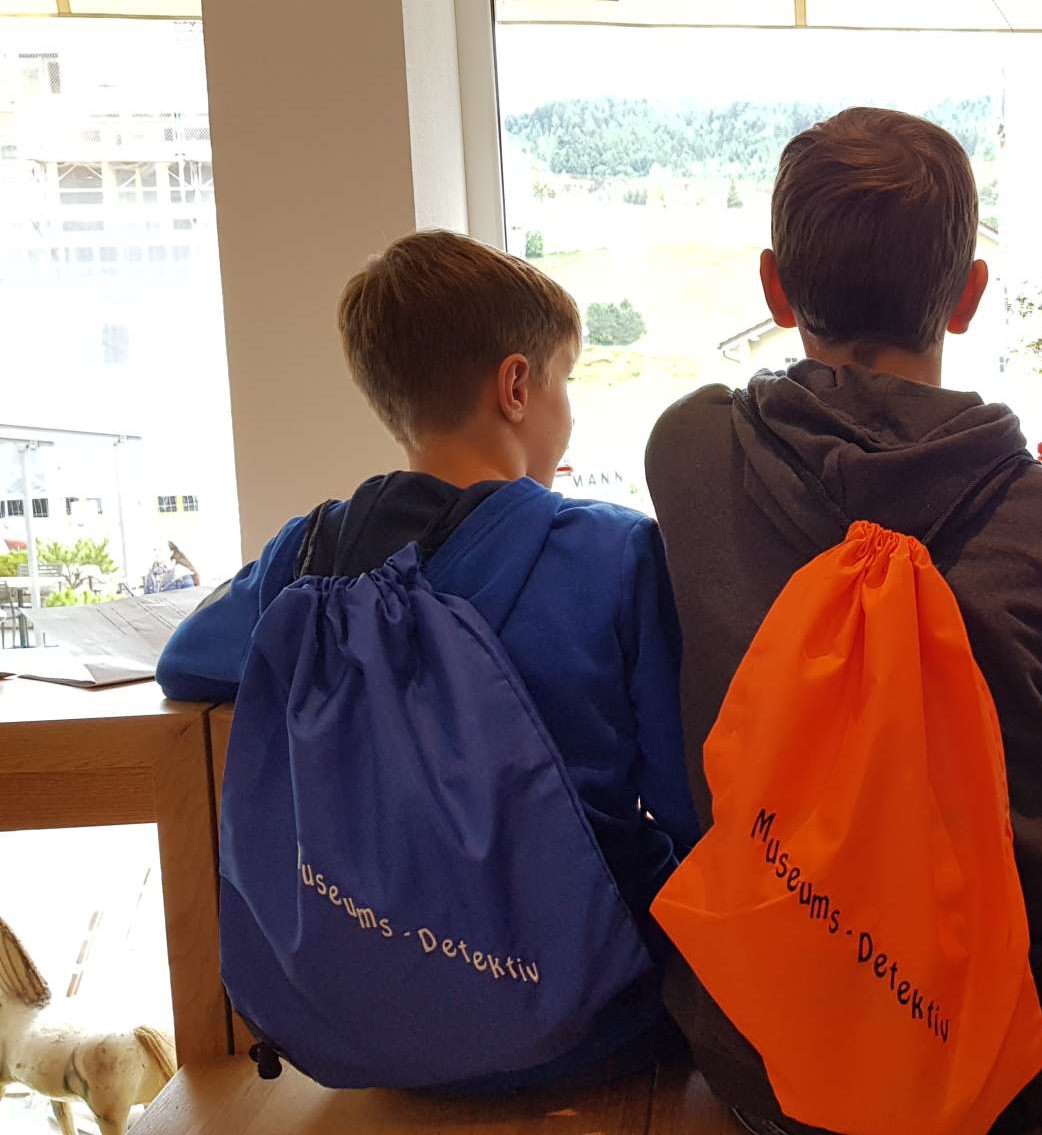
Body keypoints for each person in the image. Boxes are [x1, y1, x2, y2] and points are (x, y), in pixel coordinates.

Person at [643, 107, 1042, 1134]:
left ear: (774, 289)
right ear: (968, 294)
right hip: (999, 1071)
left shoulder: (689, 454)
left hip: (764, 1053)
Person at [158, 229, 696, 1086]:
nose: (567, 407)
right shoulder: (614, 551)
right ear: (516, 387)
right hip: (587, 1026)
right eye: (565, 379)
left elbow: (185, 662)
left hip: (351, 1022)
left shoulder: (310, 552)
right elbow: (685, 801)